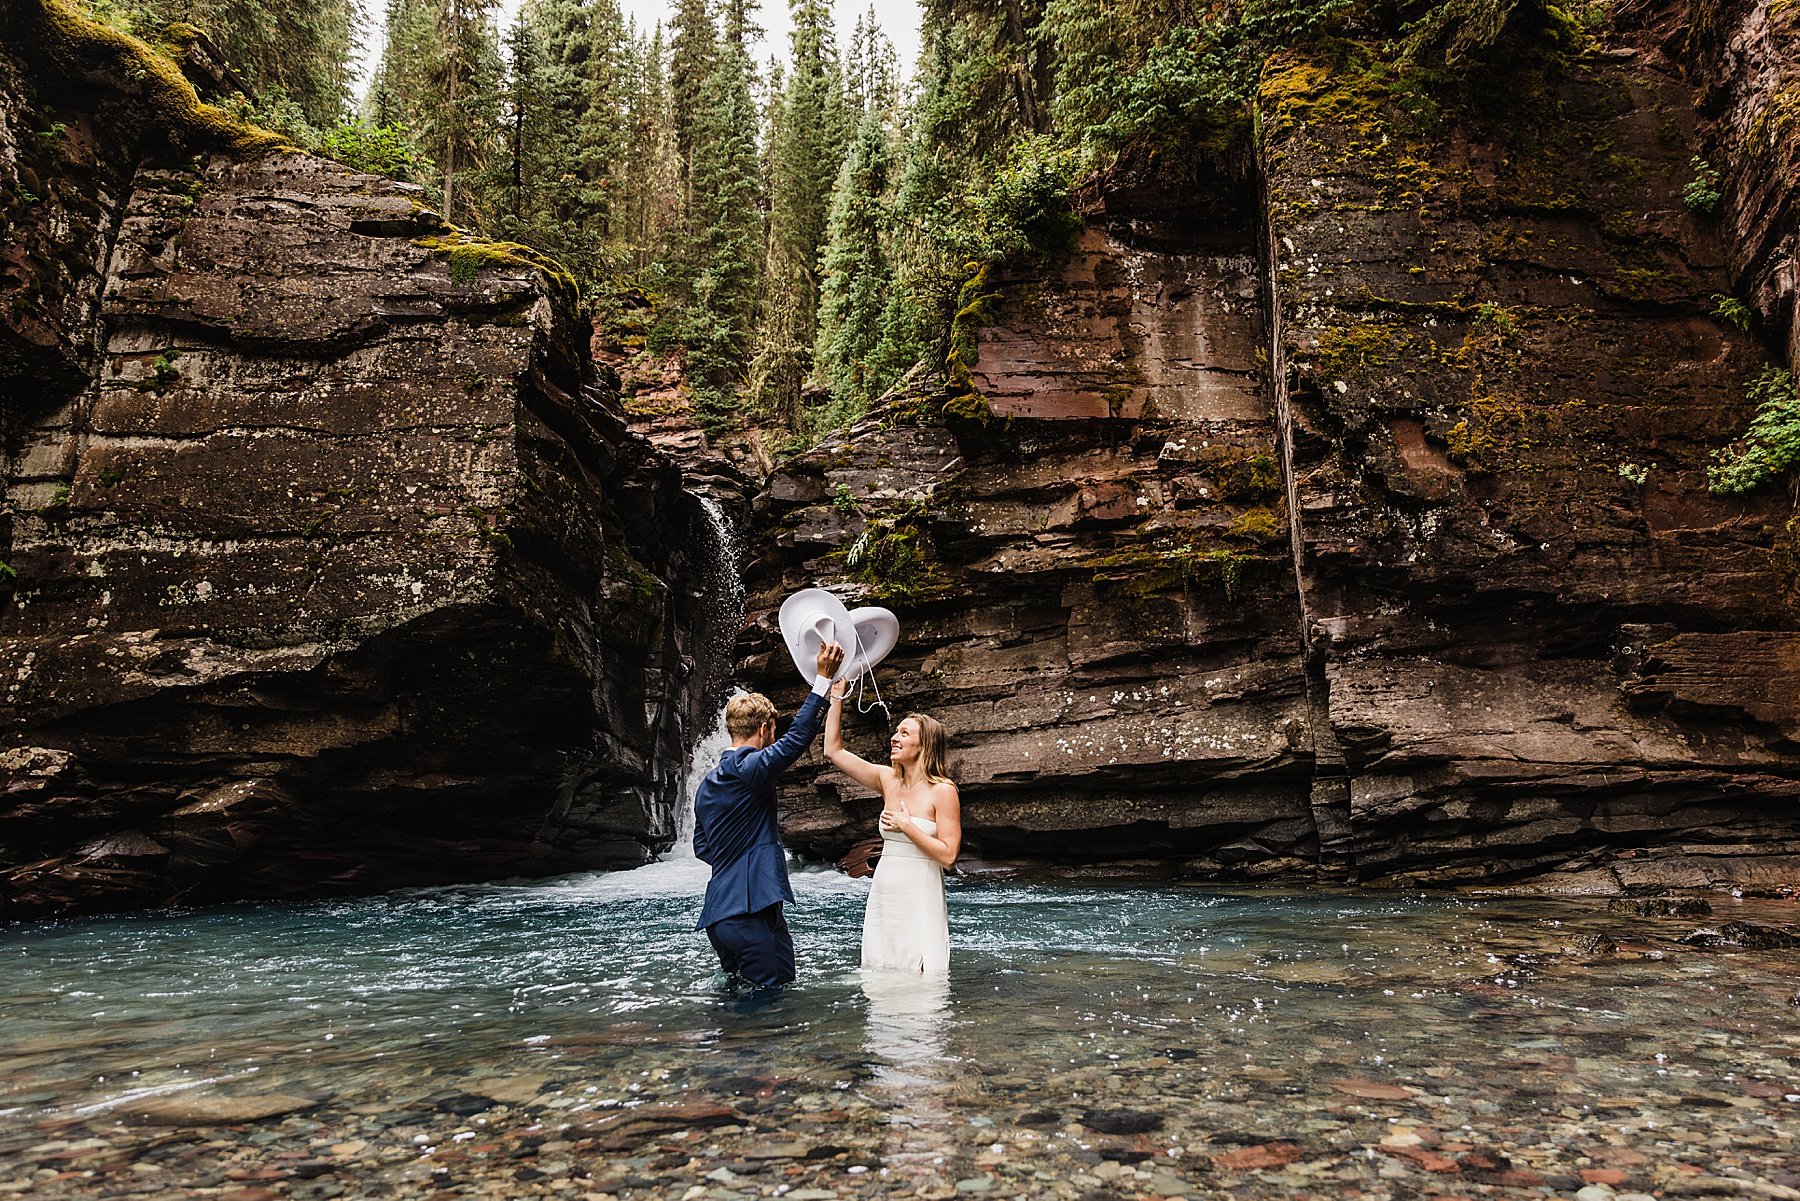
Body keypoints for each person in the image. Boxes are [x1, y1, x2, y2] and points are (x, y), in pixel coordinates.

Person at [693, 640, 845, 989]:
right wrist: (822, 681)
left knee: (742, 1001)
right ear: (764, 729)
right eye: (773, 731)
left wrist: (739, 859)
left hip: (723, 916)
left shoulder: (706, 785)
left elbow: (703, 847)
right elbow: (794, 743)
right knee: (771, 1002)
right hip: (750, 914)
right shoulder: (748, 768)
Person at [823, 683, 961, 973]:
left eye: (904, 733)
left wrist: (907, 826)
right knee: (881, 974)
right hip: (885, 893)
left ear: (924, 745)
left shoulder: (943, 791)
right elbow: (833, 751)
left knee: (918, 973)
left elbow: (949, 857)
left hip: (919, 893)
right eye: (896, 731)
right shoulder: (887, 779)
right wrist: (836, 696)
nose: (894, 738)